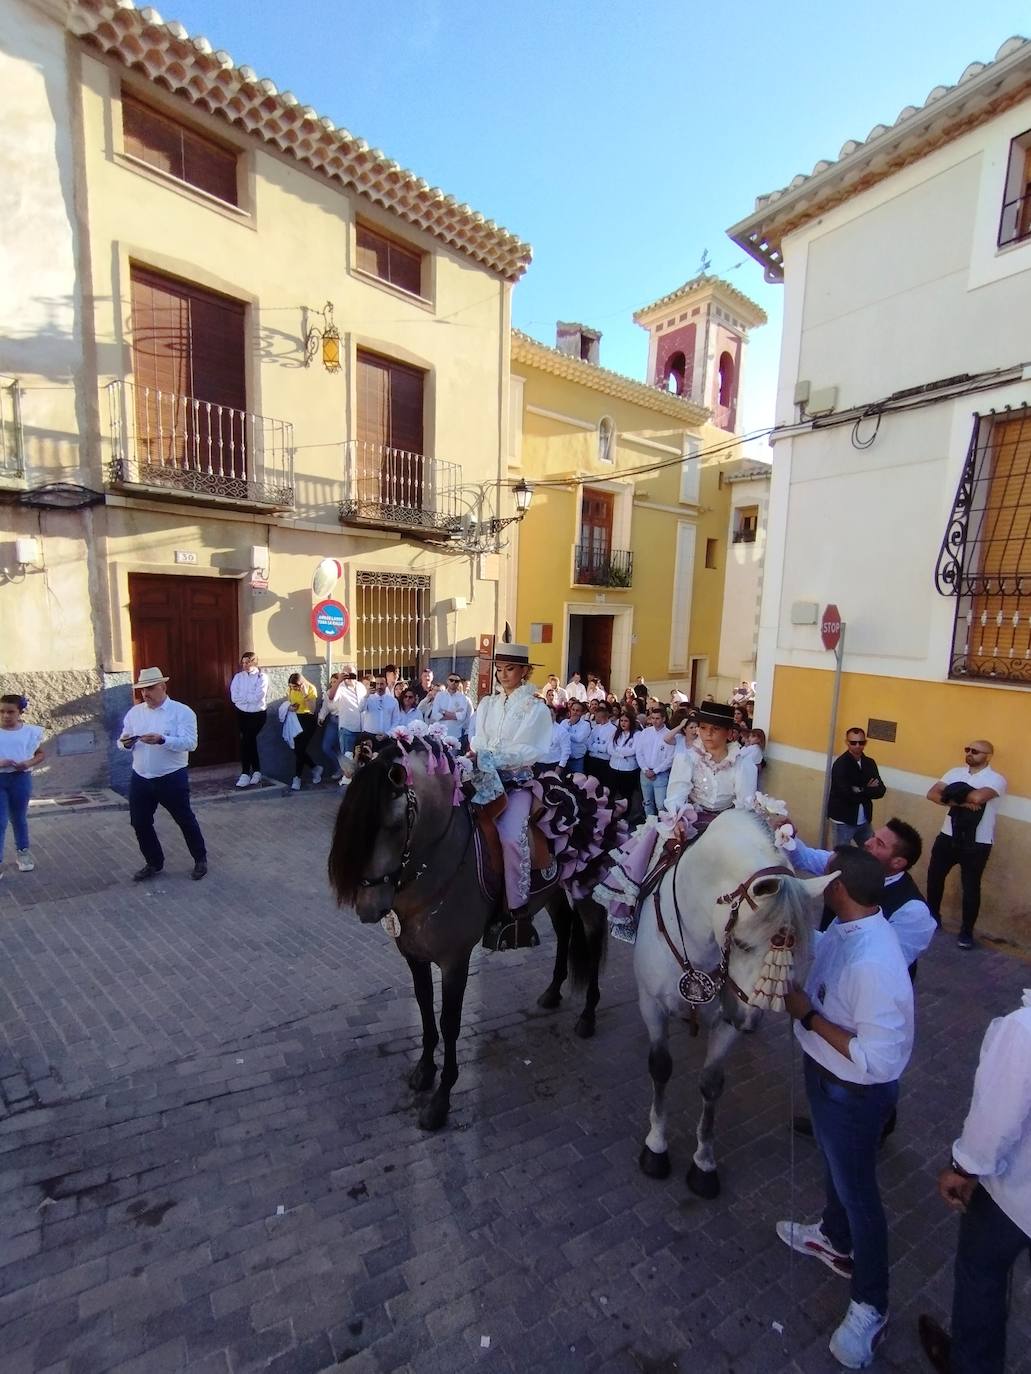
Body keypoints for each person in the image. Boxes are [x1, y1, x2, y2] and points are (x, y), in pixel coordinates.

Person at [778, 847, 914, 1370]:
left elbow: (879, 1060)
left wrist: (809, 1017)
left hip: (853, 1092)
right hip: (826, 1077)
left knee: (861, 1197)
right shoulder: (849, 927)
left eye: (823, 879)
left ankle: (870, 1306)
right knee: (837, 1172)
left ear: (837, 888)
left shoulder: (876, 962)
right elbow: (820, 952)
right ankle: (831, 1237)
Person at [917, 990, 1031, 1374]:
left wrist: (963, 1168)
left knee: (980, 1275)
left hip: (1014, 1198)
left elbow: (996, 1122)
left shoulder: (1024, 1030)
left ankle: (972, 1365)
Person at [471, 645, 552, 951]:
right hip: (484, 778)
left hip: (516, 783)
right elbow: (477, 738)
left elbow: (534, 748)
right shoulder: (488, 704)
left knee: (509, 836)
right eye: (500, 669)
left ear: (524, 673)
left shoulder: (536, 708)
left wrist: (498, 756)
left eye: (510, 669)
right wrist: (483, 753)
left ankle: (517, 910)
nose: (503, 675)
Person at [119, 667, 208, 881]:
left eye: (150, 688)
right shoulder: (135, 712)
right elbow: (122, 740)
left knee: (184, 819)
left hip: (171, 777)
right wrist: (126, 743)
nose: (145, 694)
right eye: (142, 690)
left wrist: (163, 740)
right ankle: (154, 863)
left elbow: (191, 743)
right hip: (141, 777)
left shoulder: (182, 712)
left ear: (163, 687)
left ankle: (200, 859)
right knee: (139, 822)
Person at [925, 741, 1007, 949]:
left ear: (988, 756)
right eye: (967, 750)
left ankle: (966, 932)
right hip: (947, 835)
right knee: (935, 877)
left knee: (971, 887)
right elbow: (932, 794)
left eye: (975, 751)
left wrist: (952, 792)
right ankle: (933, 917)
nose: (969, 754)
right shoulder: (954, 772)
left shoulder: (996, 779)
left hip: (978, 842)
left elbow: (979, 797)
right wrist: (961, 802)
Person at [0, 694, 45, 877]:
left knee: (19, 818)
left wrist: (28, 763)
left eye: (11, 712)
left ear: (20, 712)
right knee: (0, 821)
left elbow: (40, 754)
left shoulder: (30, 732)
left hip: (20, 779)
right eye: (1, 711)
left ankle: (23, 852)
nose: (5, 716)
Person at [828, 727, 886, 847]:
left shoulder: (869, 763)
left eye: (861, 742)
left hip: (864, 820)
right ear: (847, 742)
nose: (858, 746)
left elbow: (881, 790)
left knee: (871, 853)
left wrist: (859, 790)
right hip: (843, 820)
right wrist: (867, 789)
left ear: (866, 742)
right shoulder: (841, 765)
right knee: (841, 856)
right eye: (853, 742)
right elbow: (846, 794)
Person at [229, 651, 268, 788]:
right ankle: (256, 771)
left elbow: (259, 696)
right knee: (247, 740)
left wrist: (244, 699)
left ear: (254, 662)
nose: (245, 665)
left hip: (257, 714)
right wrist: (247, 700)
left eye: (248, 662)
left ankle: (246, 772)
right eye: (243, 662)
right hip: (242, 713)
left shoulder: (262, 677)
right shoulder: (238, 677)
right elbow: (234, 697)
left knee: (247, 740)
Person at [324, 664, 365, 785]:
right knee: (348, 760)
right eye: (346, 674)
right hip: (347, 728)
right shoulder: (340, 687)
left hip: (361, 728)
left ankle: (358, 784)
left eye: (351, 674)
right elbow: (331, 697)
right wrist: (339, 681)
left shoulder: (361, 686)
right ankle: (347, 784)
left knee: (360, 759)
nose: (349, 677)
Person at [635, 704, 674, 817]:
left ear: (664, 719)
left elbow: (670, 758)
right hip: (645, 773)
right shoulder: (645, 732)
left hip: (660, 775)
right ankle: (649, 826)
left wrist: (655, 771)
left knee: (661, 805)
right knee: (647, 803)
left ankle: (662, 829)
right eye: (652, 718)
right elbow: (639, 752)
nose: (654, 721)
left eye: (657, 718)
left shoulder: (669, 735)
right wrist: (645, 769)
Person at [285, 672, 321, 790]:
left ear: (301, 684)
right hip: (295, 719)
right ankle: (315, 768)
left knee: (300, 749)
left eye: (295, 687)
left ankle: (297, 777)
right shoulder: (291, 689)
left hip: (308, 720)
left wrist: (305, 695)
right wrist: (290, 707)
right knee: (297, 749)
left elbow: (312, 710)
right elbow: (289, 702)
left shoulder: (311, 689)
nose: (293, 689)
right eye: (291, 687)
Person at [608, 707, 640, 816]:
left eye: (626, 721)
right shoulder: (616, 733)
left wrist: (618, 752)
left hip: (628, 770)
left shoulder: (636, 734)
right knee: (611, 793)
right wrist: (621, 754)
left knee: (627, 795)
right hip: (614, 767)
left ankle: (625, 816)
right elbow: (609, 749)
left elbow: (633, 750)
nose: (623, 723)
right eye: (621, 720)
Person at [430, 672, 473, 742]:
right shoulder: (439, 696)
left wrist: (443, 712)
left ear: (459, 683)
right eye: (451, 680)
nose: (453, 682)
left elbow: (461, 717)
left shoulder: (463, 698)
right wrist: (454, 715)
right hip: (439, 735)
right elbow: (435, 715)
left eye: (456, 681)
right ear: (447, 681)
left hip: (455, 735)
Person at [360, 672, 400, 741]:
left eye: (382, 684)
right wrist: (366, 695)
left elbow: (396, 721)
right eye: (377, 684)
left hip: (386, 737)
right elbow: (360, 709)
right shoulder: (367, 698)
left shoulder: (393, 701)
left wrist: (388, 734)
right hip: (369, 736)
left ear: (386, 685)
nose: (379, 687)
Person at [585, 702, 615, 790]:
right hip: (592, 760)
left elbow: (606, 748)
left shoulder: (613, 729)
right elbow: (588, 743)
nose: (595, 718)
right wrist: (598, 747)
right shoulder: (595, 728)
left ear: (603, 717)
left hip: (604, 762)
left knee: (602, 787)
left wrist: (595, 746)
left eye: (597, 716)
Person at [536, 703, 570, 776]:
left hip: (554, 765)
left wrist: (560, 766)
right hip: (539, 764)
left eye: (551, 715)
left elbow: (566, 751)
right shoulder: (536, 729)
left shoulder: (562, 731)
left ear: (555, 714)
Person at [562, 698, 591, 776]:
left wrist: (566, 734)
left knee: (577, 784)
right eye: (573, 709)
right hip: (563, 759)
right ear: (570, 710)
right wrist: (569, 725)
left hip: (577, 761)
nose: (575, 712)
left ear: (581, 713)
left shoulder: (586, 725)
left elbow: (579, 739)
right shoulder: (564, 722)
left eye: (577, 710)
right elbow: (560, 737)